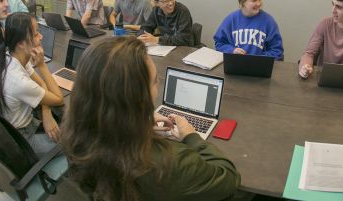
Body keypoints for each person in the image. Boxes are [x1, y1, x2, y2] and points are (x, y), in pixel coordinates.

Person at [61, 37, 240, 201]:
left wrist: (138, 121)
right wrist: (191, 137)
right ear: (136, 98)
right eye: (155, 81)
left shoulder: (75, 135)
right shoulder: (169, 163)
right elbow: (229, 177)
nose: (158, 85)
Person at [0, 13, 63, 158]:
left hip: (20, 126)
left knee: (59, 120)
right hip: (23, 139)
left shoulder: (12, 55)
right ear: (21, 43)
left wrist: (46, 112)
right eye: (35, 35)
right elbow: (59, 98)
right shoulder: (18, 80)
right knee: (73, 145)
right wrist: (42, 66)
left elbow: (40, 83)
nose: (41, 37)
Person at [213, 0, 284, 60]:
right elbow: (219, 43)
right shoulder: (231, 20)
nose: (259, 3)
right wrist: (232, 50)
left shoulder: (269, 21)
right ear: (242, 3)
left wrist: (259, 59)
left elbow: (277, 51)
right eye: (254, 0)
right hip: (236, 65)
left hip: (260, 67)